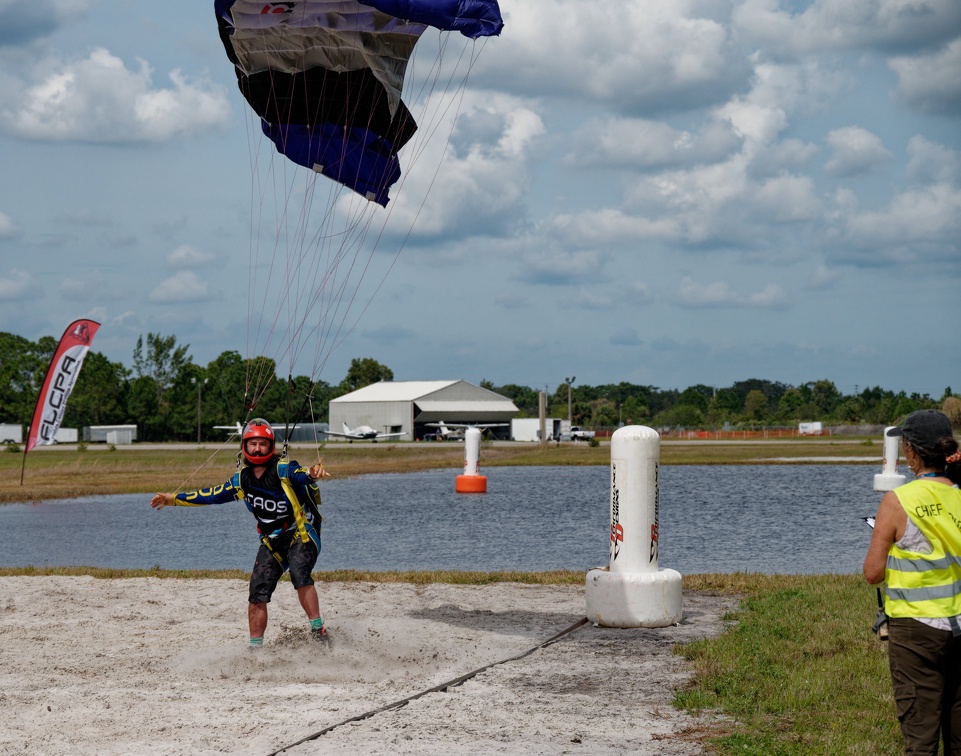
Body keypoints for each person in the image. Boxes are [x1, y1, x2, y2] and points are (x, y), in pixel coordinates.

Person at [151, 418, 331, 649]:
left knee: (299, 572)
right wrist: (173, 499)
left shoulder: (283, 469)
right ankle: (255, 649)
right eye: (252, 444)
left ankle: (319, 632)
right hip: (272, 541)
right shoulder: (241, 481)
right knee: (257, 591)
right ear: (244, 447)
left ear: (271, 447)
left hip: (301, 534)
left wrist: (313, 473)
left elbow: (302, 474)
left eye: (262, 444)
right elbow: (210, 495)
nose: (257, 448)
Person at [863, 409, 961, 754]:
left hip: (915, 630)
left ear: (909, 451)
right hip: (960, 626)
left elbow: (872, 573)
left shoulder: (898, 501)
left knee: (920, 739)